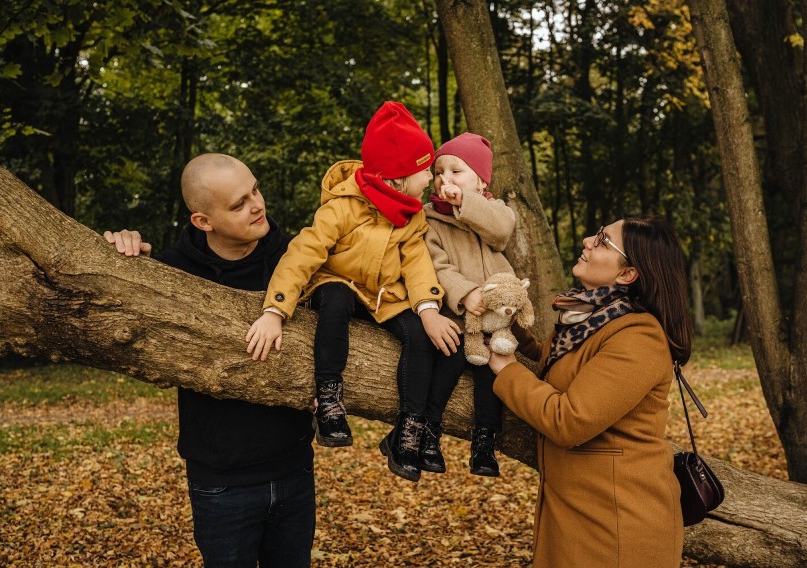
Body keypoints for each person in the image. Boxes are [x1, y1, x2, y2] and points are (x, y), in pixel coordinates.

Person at [104, 153, 316, 567]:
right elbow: (109, 303)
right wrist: (116, 251)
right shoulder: (171, 272)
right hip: (221, 484)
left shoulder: (297, 258)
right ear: (203, 221)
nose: (257, 204)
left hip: (294, 470)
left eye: (255, 189)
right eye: (239, 204)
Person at [245, 101, 462, 483]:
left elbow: (415, 261)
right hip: (339, 283)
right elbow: (303, 254)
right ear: (396, 178)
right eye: (423, 169)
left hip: (384, 294)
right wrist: (274, 311)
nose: (430, 176)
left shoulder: (412, 214)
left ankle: (410, 427)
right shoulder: (342, 208)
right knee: (336, 302)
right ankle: (328, 396)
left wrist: (428, 309)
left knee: (419, 335)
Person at [488, 216, 688, 567]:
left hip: (617, 526)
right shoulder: (592, 322)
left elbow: (570, 421)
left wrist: (507, 370)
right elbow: (562, 367)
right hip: (579, 513)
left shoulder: (639, 337)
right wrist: (511, 328)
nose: (586, 240)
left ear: (628, 274)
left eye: (601, 240)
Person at [419, 132, 519, 477]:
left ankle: (485, 442)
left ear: (480, 180)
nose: (445, 179)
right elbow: (436, 265)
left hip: (494, 319)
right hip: (458, 314)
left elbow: (502, 229)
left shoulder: (493, 213)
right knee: (450, 359)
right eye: (439, 171)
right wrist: (464, 293)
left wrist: (465, 202)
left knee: (489, 374)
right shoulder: (429, 218)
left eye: (456, 171)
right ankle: (427, 432)